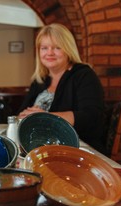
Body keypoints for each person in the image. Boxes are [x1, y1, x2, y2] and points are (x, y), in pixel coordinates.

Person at [18, 23, 106, 154]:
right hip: (40, 149)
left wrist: (44, 118)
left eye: (57, 48)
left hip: (78, 150)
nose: (49, 53)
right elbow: (22, 114)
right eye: (44, 48)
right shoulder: (40, 80)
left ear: (68, 49)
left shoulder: (84, 74)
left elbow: (91, 116)